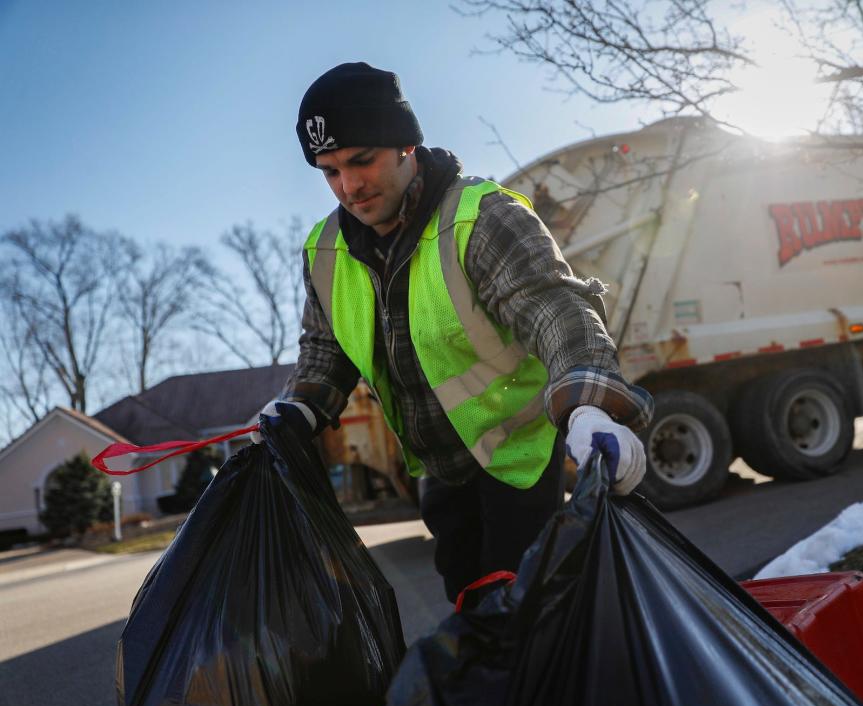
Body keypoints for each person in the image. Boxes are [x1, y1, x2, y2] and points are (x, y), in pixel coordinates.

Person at [256, 62, 654, 602]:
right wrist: (297, 408)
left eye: (361, 161)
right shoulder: (324, 252)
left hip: (520, 461)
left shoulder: (481, 217)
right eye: (328, 171)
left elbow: (554, 309)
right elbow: (325, 350)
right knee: (473, 616)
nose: (348, 187)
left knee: (534, 616)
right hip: (440, 472)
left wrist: (589, 406)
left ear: (404, 145)